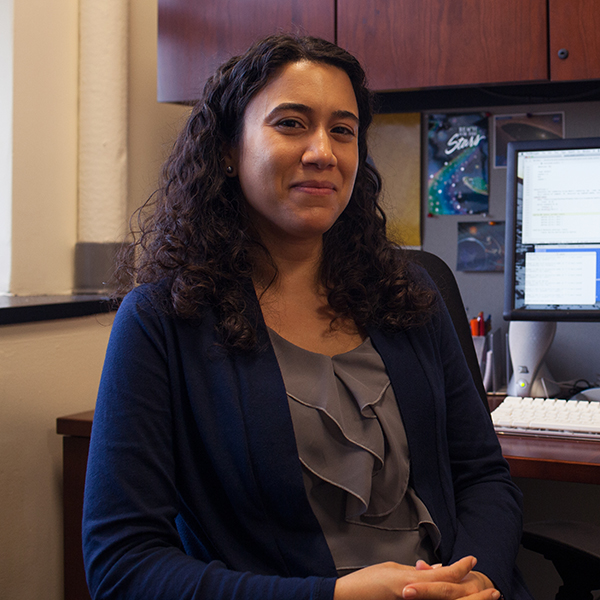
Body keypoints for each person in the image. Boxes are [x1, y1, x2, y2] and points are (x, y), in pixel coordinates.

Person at [82, 34, 532, 600]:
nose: (324, 151)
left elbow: (483, 478)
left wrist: (478, 579)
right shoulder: (162, 321)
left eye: (342, 130)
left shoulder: (407, 292)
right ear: (227, 149)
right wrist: (336, 597)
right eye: (292, 123)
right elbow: (122, 565)